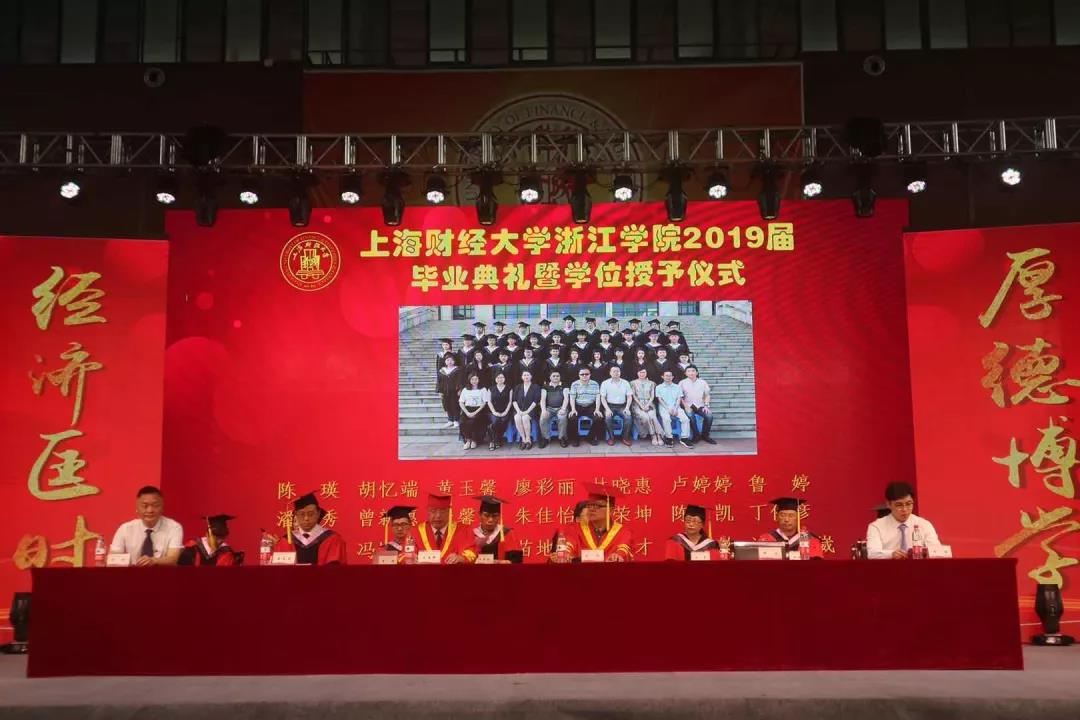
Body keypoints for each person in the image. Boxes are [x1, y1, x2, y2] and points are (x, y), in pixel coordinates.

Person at [109, 485, 183, 566]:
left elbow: (173, 558)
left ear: (162, 508)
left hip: (161, 572)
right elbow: (113, 557)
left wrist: (153, 561)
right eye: (145, 506)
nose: (150, 510)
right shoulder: (125, 528)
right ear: (137, 508)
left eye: (155, 505)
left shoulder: (174, 527)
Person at [558, 483, 633, 562]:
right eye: (590, 505)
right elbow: (569, 544)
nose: (592, 509)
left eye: (598, 506)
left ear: (610, 510)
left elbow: (624, 548)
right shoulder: (576, 529)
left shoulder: (623, 532)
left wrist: (618, 555)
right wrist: (566, 553)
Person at [866, 481, 941, 559]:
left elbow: (936, 552)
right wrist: (891, 554)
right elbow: (872, 554)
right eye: (899, 505)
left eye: (909, 504)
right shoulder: (876, 526)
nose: (904, 509)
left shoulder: (924, 525)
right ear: (888, 504)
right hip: (890, 565)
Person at [274, 492, 348, 565]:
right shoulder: (286, 541)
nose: (306, 518)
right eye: (302, 514)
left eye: (310, 514)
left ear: (318, 513)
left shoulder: (332, 540)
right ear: (296, 515)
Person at [459, 496, 523, 563]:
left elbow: (516, 561)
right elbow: (464, 557)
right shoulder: (471, 534)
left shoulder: (507, 533)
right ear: (480, 515)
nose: (490, 520)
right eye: (486, 515)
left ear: (499, 516)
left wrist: (498, 562)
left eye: (495, 516)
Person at [758, 497, 823, 558]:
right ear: (777, 517)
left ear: (798, 517)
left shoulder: (810, 540)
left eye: (791, 515)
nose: (786, 519)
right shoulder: (766, 540)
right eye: (782, 515)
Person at [415, 493, 466, 564]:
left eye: (443, 511)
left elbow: (470, 551)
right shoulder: (416, 532)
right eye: (433, 511)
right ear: (428, 512)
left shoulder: (462, 530)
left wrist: (461, 558)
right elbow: (403, 555)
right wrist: (411, 557)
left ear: (449, 512)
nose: (438, 515)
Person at [678, 365, 716, 444]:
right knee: (690, 415)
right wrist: (685, 406)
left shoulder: (702, 382)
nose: (691, 373)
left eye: (693, 371)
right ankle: (696, 435)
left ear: (697, 372)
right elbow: (680, 397)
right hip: (688, 405)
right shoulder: (682, 383)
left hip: (700, 405)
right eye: (688, 371)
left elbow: (707, 395)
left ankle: (705, 435)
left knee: (709, 415)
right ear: (685, 373)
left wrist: (706, 405)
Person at [568, 366, 605, 446]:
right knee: (572, 417)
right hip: (578, 406)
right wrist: (573, 409)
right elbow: (572, 397)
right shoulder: (574, 384)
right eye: (582, 374)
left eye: (586, 374)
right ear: (579, 375)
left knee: (598, 417)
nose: (584, 376)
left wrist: (597, 409)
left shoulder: (595, 384)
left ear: (590, 374)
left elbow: (597, 397)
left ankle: (590, 437)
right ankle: (575, 438)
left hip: (590, 406)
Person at [656, 369, 692, 448]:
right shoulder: (659, 387)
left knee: (685, 419)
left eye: (670, 376)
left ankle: (684, 438)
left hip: (676, 406)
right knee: (666, 419)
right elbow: (660, 399)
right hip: (664, 407)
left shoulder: (677, 387)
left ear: (672, 377)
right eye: (666, 376)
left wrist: (675, 408)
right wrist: (668, 408)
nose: (668, 377)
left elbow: (679, 398)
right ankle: (669, 437)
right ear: (662, 377)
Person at [600, 365, 635, 447]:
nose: (616, 373)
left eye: (617, 371)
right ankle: (611, 438)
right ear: (610, 373)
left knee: (628, 417)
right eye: (614, 371)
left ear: (620, 373)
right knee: (608, 417)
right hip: (609, 406)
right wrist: (607, 409)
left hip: (622, 406)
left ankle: (625, 437)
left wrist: (627, 408)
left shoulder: (625, 383)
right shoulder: (605, 383)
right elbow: (603, 398)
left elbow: (629, 397)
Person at [629, 366, 663, 446]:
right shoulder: (632, 383)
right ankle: (653, 435)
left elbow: (652, 396)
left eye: (643, 372)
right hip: (637, 404)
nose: (642, 374)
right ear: (637, 373)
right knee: (646, 417)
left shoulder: (652, 383)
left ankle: (659, 435)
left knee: (652, 416)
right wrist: (641, 405)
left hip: (649, 403)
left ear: (646, 373)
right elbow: (634, 396)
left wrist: (647, 404)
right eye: (640, 372)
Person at [458, 372, 490, 450]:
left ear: (479, 380)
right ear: (469, 380)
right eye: (472, 379)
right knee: (462, 422)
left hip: (479, 409)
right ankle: (468, 440)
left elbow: (484, 403)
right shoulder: (465, 389)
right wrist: (466, 412)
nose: (474, 381)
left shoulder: (483, 389)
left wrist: (475, 412)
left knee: (473, 421)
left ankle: (474, 440)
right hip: (467, 409)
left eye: (476, 379)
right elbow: (461, 402)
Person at [512, 369, 542, 450]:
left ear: (531, 376)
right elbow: (514, 400)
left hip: (532, 409)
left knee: (525, 418)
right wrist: (518, 411)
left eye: (528, 375)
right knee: (517, 417)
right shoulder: (518, 387)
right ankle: (523, 439)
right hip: (519, 409)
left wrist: (527, 411)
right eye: (524, 375)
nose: (526, 377)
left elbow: (536, 401)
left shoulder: (536, 387)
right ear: (522, 377)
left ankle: (528, 439)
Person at [539, 369, 570, 449]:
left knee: (562, 418)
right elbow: (542, 399)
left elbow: (566, 398)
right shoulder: (545, 386)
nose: (556, 377)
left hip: (561, 408)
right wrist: (543, 410)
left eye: (557, 376)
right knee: (543, 418)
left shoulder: (564, 385)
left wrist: (563, 409)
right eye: (554, 376)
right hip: (549, 408)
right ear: (550, 377)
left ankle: (562, 438)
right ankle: (546, 438)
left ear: (560, 377)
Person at [486, 371, 513, 450]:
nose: (500, 379)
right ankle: (493, 441)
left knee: (503, 420)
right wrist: (494, 412)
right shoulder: (491, 389)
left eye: (502, 377)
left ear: (504, 378)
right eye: (498, 377)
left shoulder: (509, 388)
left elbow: (510, 402)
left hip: (506, 410)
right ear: (495, 379)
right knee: (496, 420)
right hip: (493, 411)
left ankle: (496, 439)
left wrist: (505, 412)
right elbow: (489, 402)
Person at [436, 354, 462, 429]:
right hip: (445, 391)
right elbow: (439, 381)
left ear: (454, 361)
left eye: (451, 360)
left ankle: (456, 420)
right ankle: (450, 420)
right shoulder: (442, 370)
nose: (449, 362)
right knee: (447, 405)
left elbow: (460, 380)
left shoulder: (458, 369)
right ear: (445, 362)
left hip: (455, 391)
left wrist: (460, 389)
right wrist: (440, 391)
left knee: (455, 405)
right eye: (447, 360)